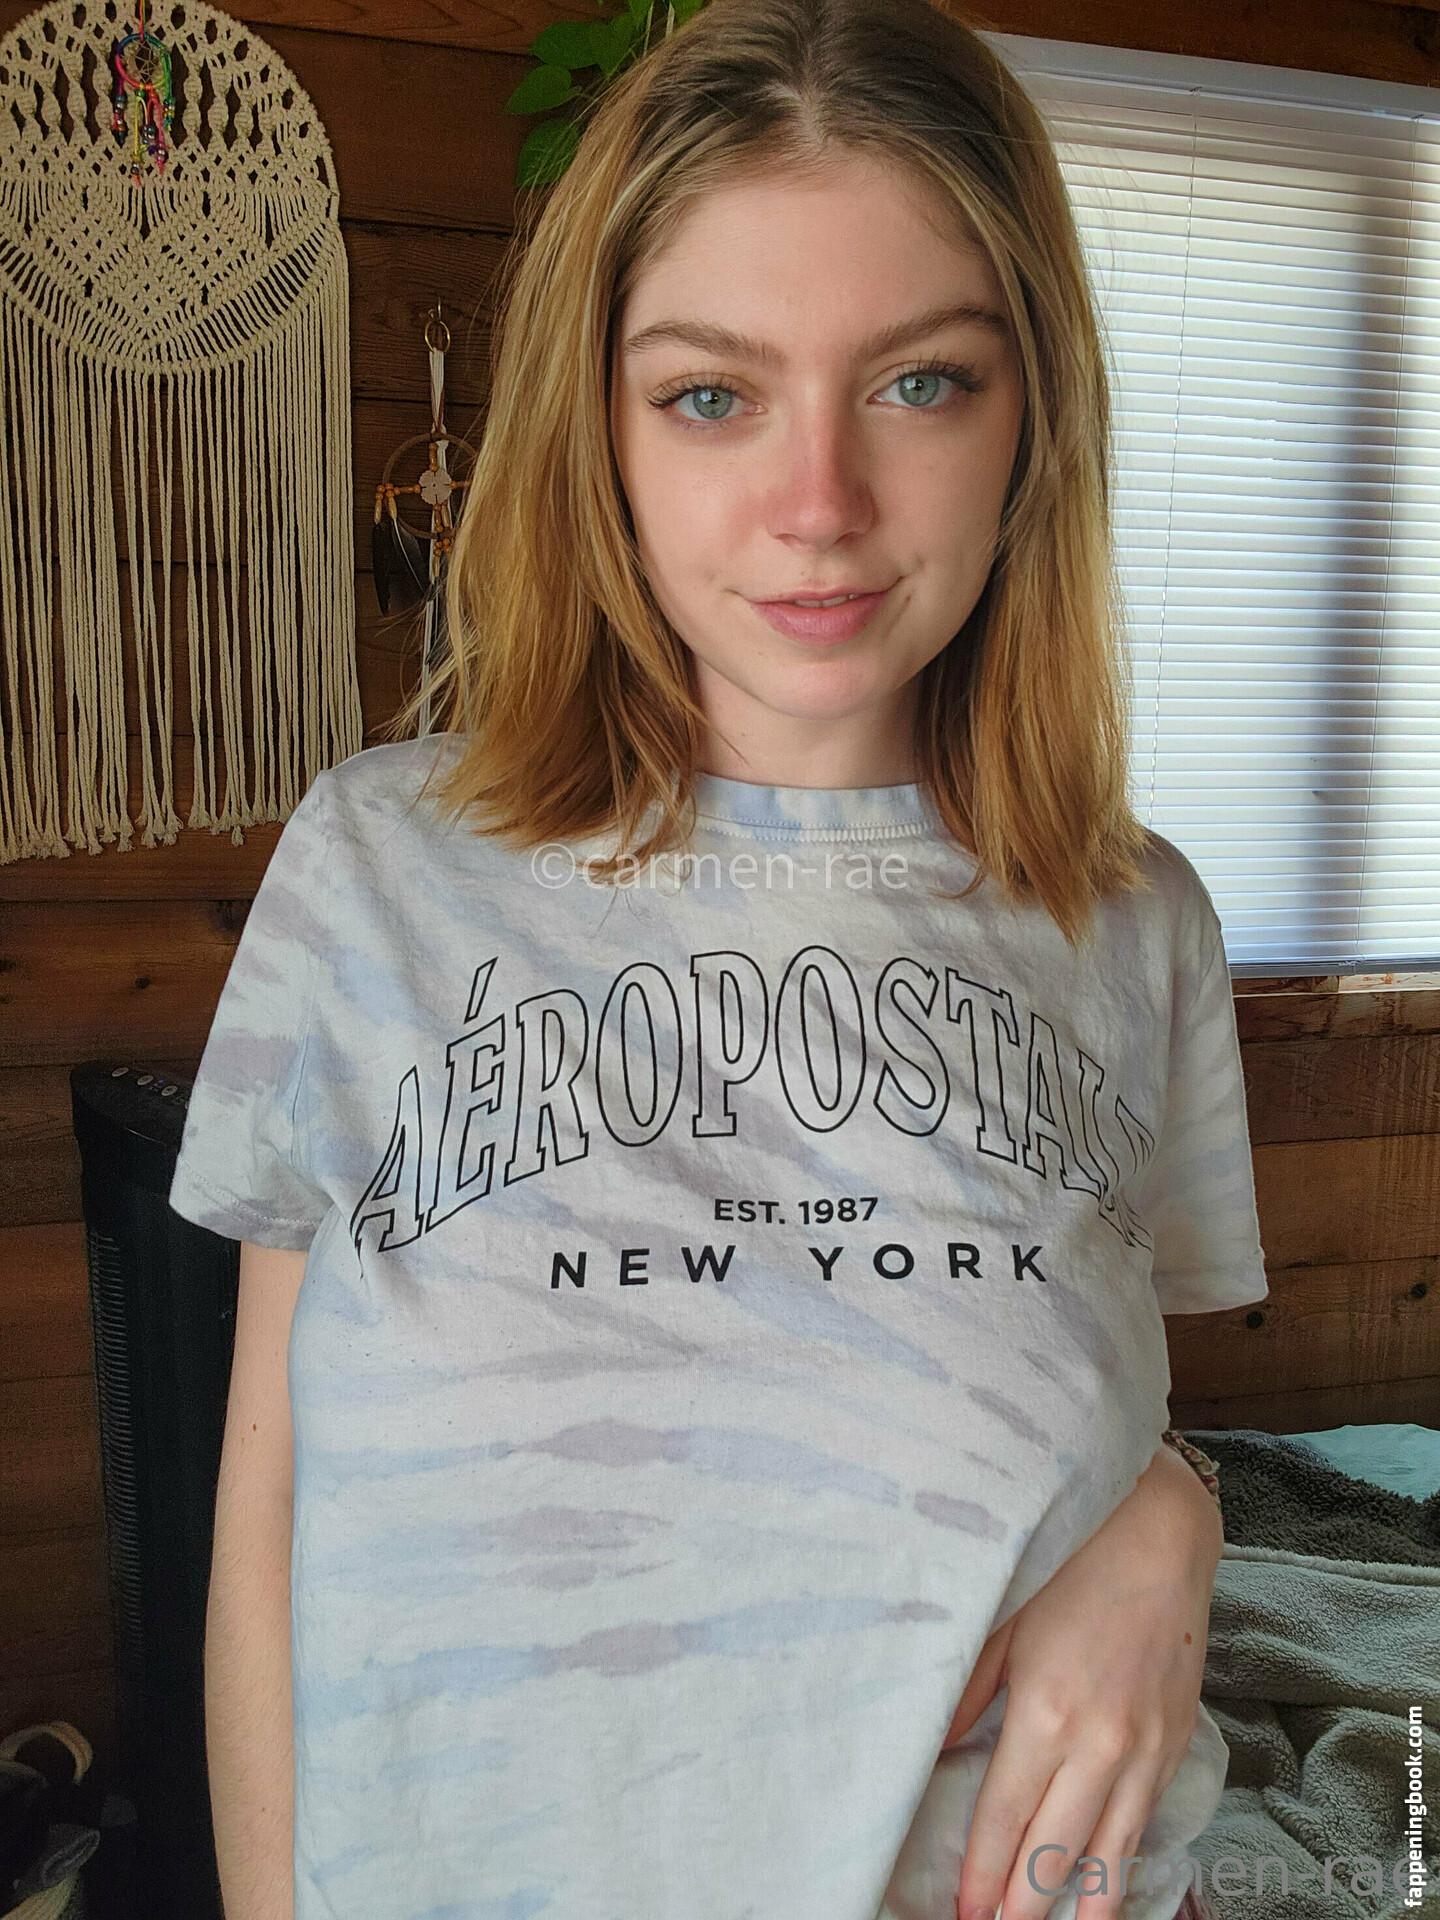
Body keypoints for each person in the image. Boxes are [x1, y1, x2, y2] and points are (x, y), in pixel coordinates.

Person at [168, 0, 1269, 1915]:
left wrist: (1176, 1517)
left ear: (1032, 413)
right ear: (599, 424)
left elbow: (1097, 1410)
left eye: (921, 382)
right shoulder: (375, 869)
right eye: (709, 395)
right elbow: (265, 1509)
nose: (819, 502)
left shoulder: (1135, 916)